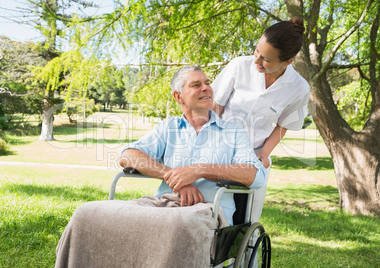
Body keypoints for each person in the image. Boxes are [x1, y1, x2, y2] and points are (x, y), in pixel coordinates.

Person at [54, 66, 267, 268]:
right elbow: (128, 156)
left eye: (207, 82)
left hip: (208, 209)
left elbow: (254, 175)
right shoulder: (169, 127)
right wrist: (174, 178)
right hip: (162, 204)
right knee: (86, 213)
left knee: (180, 226)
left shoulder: (232, 131)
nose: (206, 88)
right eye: (196, 84)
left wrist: (198, 170)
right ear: (178, 96)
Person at [211, 17, 310, 224]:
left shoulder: (299, 88)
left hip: (253, 159)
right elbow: (215, 107)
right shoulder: (239, 66)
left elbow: (284, 125)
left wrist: (264, 154)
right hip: (218, 152)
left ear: (288, 61)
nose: (256, 60)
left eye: (266, 59)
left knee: (245, 220)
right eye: (257, 51)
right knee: (213, 215)